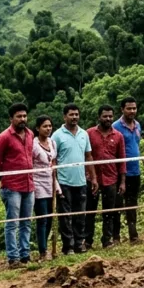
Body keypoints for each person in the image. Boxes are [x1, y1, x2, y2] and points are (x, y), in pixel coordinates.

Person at [0, 103, 35, 266]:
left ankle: (25, 254)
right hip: (12, 186)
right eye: (19, 116)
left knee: (27, 221)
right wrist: (5, 179)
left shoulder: (30, 134)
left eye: (24, 116)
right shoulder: (3, 137)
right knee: (12, 223)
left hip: (29, 184)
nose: (22, 119)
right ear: (11, 118)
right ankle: (13, 257)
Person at [52, 104, 95, 253]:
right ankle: (67, 246)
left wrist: (93, 178)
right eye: (71, 114)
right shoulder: (57, 135)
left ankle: (78, 243)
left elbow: (88, 156)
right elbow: (53, 160)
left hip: (81, 181)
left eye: (77, 114)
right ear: (65, 116)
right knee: (65, 216)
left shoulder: (84, 134)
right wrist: (55, 181)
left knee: (80, 215)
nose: (74, 117)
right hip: (64, 182)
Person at [86, 105, 126, 250]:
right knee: (90, 211)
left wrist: (122, 182)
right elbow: (86, 155)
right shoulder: (89, 133)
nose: (108, 119)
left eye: (110, 116)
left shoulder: (118, 136)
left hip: (111, 179)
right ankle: (88, 241)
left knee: (109, 212)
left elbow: (122, 160)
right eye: (105, 116)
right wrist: (89, 176)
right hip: (93, 179)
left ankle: (107, 240)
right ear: (99, 117)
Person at [113, 98, 143, 244]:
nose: (132, 111)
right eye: (129, 108)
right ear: (122, 109)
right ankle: (116, 237)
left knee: (132, 204)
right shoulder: (115, 127)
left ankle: (133, 236)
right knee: (117, 205)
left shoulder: (137, 125)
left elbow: (136, 145)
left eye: (134, 108)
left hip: (135, 171)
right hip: (120, 173)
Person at [32, 116, 58, 260]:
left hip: (50, 182)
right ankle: (42, 251)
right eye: (44, 126)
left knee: (49, 217)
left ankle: (46, 246)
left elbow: (54, 163)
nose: (48, 129)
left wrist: (56, 183)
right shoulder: (33, 145)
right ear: (37, 128)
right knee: (42, 218)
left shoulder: (52, 143)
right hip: (37, 182)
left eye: (49, 126)